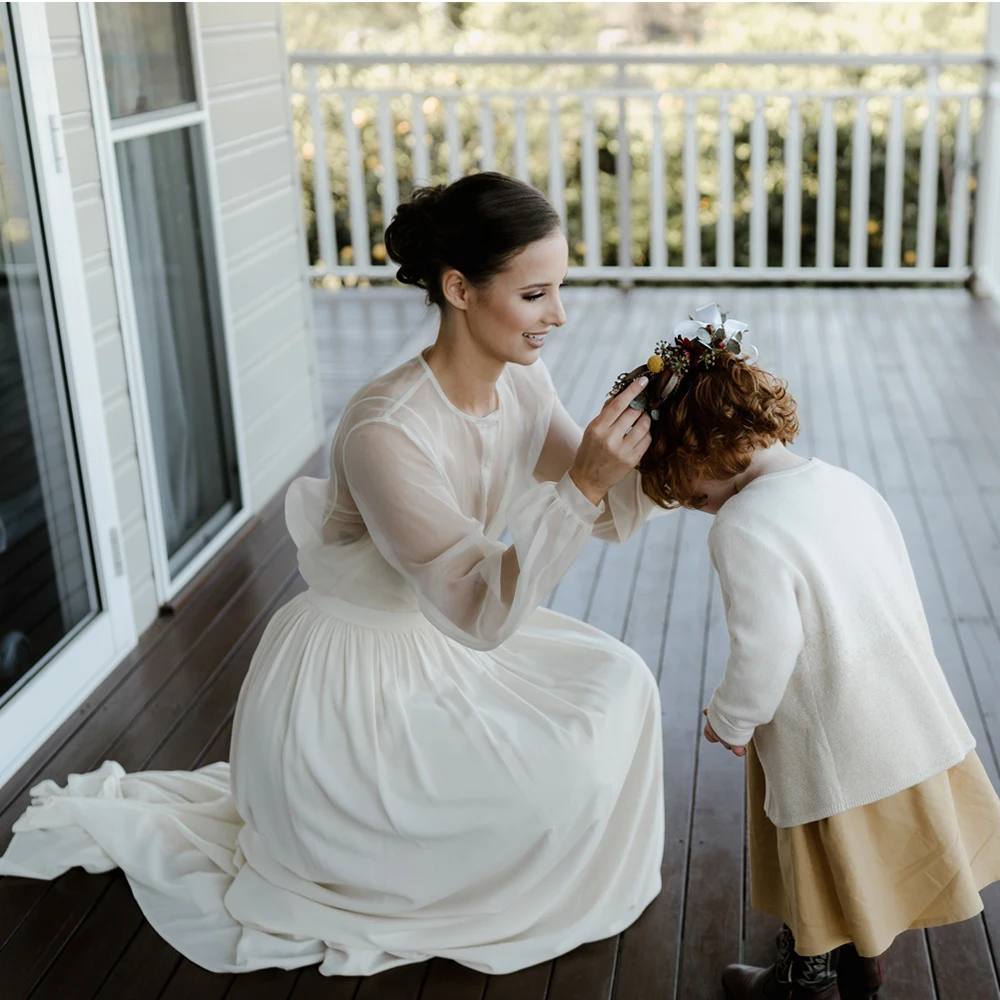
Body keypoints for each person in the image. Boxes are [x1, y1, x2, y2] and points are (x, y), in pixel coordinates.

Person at [0, 174, 666, 978]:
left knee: (621, 682)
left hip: (443, 646)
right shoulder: (386, 428)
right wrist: (587, 481)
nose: (559, 315)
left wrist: (688, 439)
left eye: (559, 289)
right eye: (536, 294)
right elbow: (478, 611)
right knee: (550, 774)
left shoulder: (523, 381)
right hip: (358, 684)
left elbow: (597, 500)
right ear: (459, 289)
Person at [610, 303, 1000, 1000]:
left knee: (817, 863)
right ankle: (865, 956)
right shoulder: (844, 484)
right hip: (903, 708)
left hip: (829, 737)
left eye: (683, 488)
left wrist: (729, 719)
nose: (692, 503)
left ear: (700, 448)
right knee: (872, 855)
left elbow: (767, 649)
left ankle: (808, 976)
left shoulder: (744, 526)